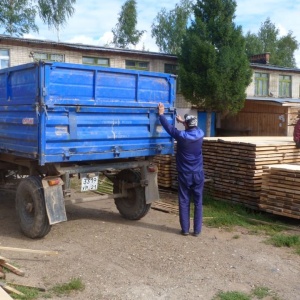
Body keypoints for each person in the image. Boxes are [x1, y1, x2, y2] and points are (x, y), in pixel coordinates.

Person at [157, 102, 205, 236]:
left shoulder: (182, 136)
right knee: (198, 202)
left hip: (185, 174)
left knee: (184, 201)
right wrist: (184, 122)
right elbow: (193, 127)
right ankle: (197, 231)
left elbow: (169, 128)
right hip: (198, 173)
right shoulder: (200, 134)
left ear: (187, 125)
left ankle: (185, 230)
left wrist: (161, 115)